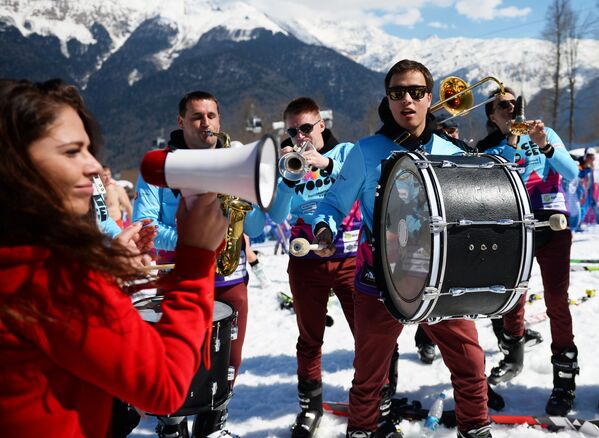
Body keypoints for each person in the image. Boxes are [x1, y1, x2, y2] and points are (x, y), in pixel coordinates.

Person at [0, 78, 227, 437]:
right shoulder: (49, 273)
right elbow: (165, 388)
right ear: (15, 162)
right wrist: (196, 260)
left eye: (89, 150)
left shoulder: (21, 257)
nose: (94, 168)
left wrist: (107, 274)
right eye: (72, 152)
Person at [312, 60, 490, 438]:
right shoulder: (365, 151)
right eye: (397, 93)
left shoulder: (453, 152)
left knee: (470, 361)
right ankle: (361, 430)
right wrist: (325, 229)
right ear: (387, 100)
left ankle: (475, 428)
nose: (406, 100)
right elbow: (331, 206)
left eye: (415, 92)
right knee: (370, 371)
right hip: (379, 278)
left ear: (429, 98)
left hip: (438, 277)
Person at [133, 90, 264, 437]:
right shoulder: (160, 167)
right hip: (180, 277)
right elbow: (144, 224)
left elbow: (259, 226)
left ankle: (214, 425)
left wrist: (256, 199)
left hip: (230, 279)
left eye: (211, 116)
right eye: (196, 116)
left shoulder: (234, 160)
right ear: (181, 122)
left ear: (219, 120)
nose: (205, 122)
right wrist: (197, 243)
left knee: (229, 359)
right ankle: (172, 427)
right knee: (177, 358)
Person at [477, 86, 580, 416]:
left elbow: (572, 172)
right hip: (516, 231)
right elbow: (490, 188)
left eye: (513, 103)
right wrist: (511, 145)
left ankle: (564, 378)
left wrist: (544, 145)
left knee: (556, 301)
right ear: (493, 116)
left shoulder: (544, 133)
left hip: (552, 226)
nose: (510, 109)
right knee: (512, 299)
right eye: (502, 106)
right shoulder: (491, 148)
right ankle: (512, 356)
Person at [267, 97, 361, 437]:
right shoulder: (290, 165)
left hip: (350, 259)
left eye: (306, 127)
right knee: (309, 338)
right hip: (306, 262)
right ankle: (310, 407)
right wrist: (288, 180)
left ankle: (375, 399)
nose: (300, 136)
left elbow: (362, 184)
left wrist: (323, 163)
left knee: (368, 335)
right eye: (292, 130)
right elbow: (276, 216)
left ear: (321, 125)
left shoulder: (345, 152)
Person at [576, 147, 599, 230]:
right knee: (583, 208)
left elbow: (592, 179)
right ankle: (578, 225)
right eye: (590, 157)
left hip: (590, 190)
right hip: (583, 191)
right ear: (586, 157)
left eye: (593, 157)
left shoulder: (590, 165)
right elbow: (579, 178)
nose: (592, 159)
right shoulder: (581, 166)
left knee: (595, 206)